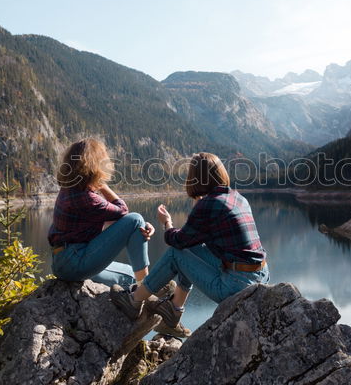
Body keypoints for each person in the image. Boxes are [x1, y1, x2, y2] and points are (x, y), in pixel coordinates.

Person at [111, 152, 268, 336]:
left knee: (176, 253)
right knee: (190, 249)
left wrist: (167, 222)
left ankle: (134, 301)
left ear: (196, 177)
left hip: (235, 287)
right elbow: (196, 240)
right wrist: (198, 208)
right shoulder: (237, 198)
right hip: (260, 275)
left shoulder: (209, 205)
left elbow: (176, 240)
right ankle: (174, 310)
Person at [48, 138, 154, 289]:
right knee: (136, 219)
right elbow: (123, 210)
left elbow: (106, 222)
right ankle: (146, 290)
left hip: (64, 261)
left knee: (130, 276)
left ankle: (144, 288)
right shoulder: (86, 198)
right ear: (95, 166)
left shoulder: (70, 190)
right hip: (75, 261)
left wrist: (140, 229)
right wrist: (102, 185)